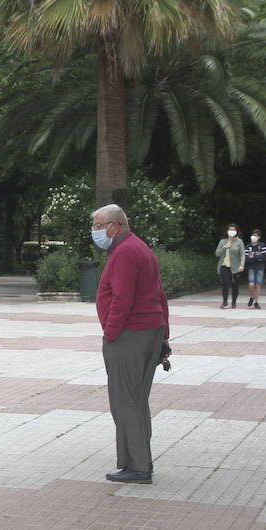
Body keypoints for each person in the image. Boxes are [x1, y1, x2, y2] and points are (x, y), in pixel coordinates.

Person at [91, 205, 170, 485]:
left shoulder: (125, 253)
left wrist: (111, 334)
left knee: (126, 401)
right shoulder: (139, 248)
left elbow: (122, 299)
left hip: (130, 335)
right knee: (135, 399)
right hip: (148, 330)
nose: (96, 231)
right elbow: (159, 294)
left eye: (99, 226)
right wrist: (164, 335)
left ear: (115, 225)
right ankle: (137, 461)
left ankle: (137, 466)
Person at [215, 223, 246, 309]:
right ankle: (225, 302)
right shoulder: (222, 241)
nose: (232, 231)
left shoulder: (239, 242)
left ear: (236, 231)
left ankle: (234, 302)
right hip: (224, 265)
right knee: (225, 282)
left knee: (234, 284)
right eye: (230, 230)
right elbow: (217, 254)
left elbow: (242, 254)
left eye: (234, 230)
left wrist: (242, 265)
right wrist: (225, 246)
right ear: (227, 231)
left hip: (235, 267)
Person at [244, 229, 266, 309]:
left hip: (260, 267)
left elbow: (264, 256)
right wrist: (257, 258)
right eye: (253, 235)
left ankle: (256, 301)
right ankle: (252, 296)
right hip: (251, 267)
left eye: (256, 235)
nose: (254, 237)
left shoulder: (262, 245)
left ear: (259, 237)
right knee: (251, 284)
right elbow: (246, 258)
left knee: (258, 285)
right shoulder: (248, 246)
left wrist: (254, 257)